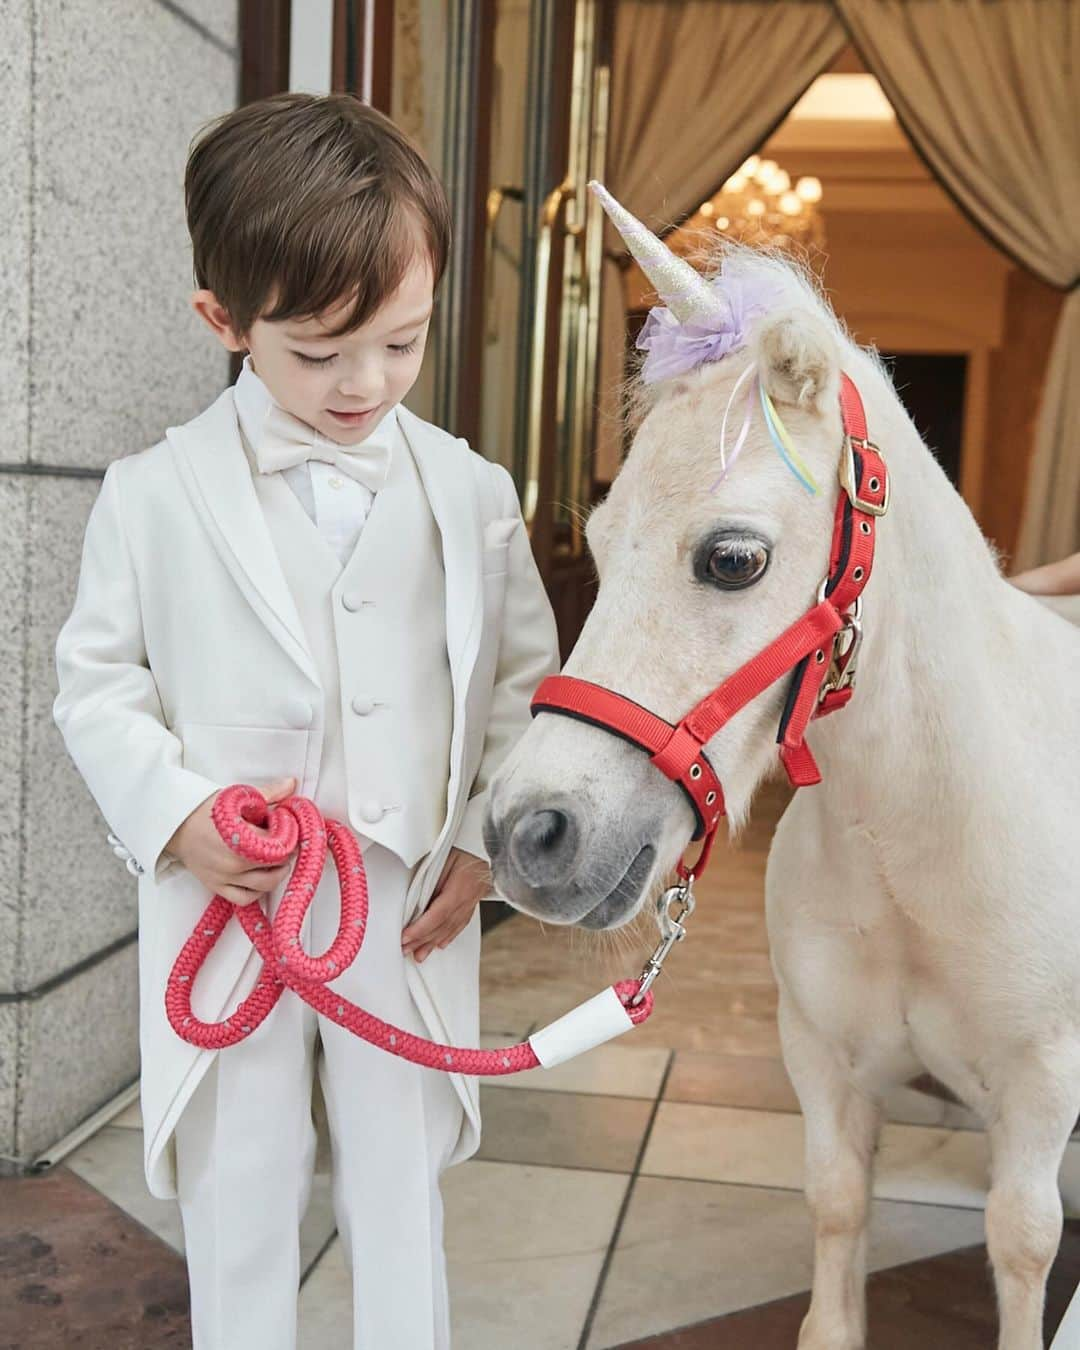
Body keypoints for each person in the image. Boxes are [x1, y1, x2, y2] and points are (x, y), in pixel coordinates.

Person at [52, 92, 560, 1350]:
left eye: (400, 343)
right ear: (222, 321)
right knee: (243, 1177)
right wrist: (176, 819)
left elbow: (520, 684)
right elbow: (98, 684)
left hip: (404, 896)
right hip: (235, 902)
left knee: (402, 1180)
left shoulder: (472, 490)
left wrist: (486, 842)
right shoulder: (152, 493)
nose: (365, 384)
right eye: (318, 353)